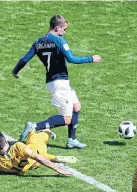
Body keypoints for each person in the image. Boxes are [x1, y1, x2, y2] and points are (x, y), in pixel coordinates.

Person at [12, 15, 101, 149]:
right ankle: (34, 126)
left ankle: (72, 139)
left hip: (53, 82)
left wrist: (15, 71)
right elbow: (72, 59)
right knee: (66, 119)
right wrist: (91, 58)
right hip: (60, 84)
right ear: (57, 28)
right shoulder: (59, 40)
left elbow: (24, 59)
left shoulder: (38, 42)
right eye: (64, 29)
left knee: (76, 107)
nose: (64, 32)